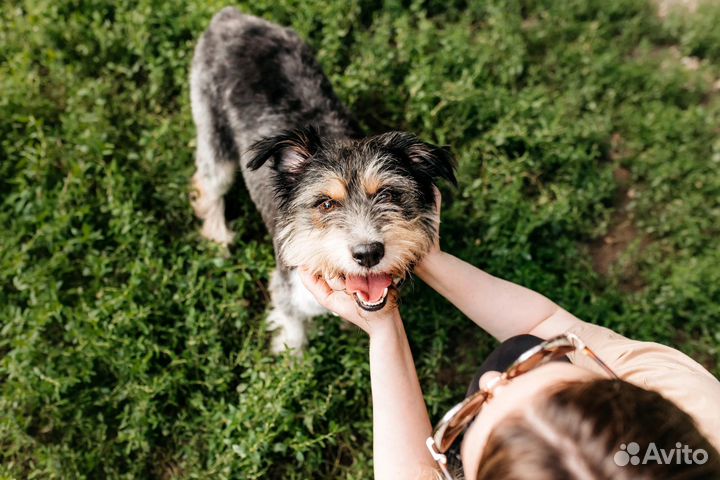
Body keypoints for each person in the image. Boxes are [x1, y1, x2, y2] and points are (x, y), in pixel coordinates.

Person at [298, 193, 720, 480]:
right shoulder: (694, 399)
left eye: (457, 452)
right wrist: (424, 259)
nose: (489, 379)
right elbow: (547, 324)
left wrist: (382, 332)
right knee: (521, 347)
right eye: (559, 359)